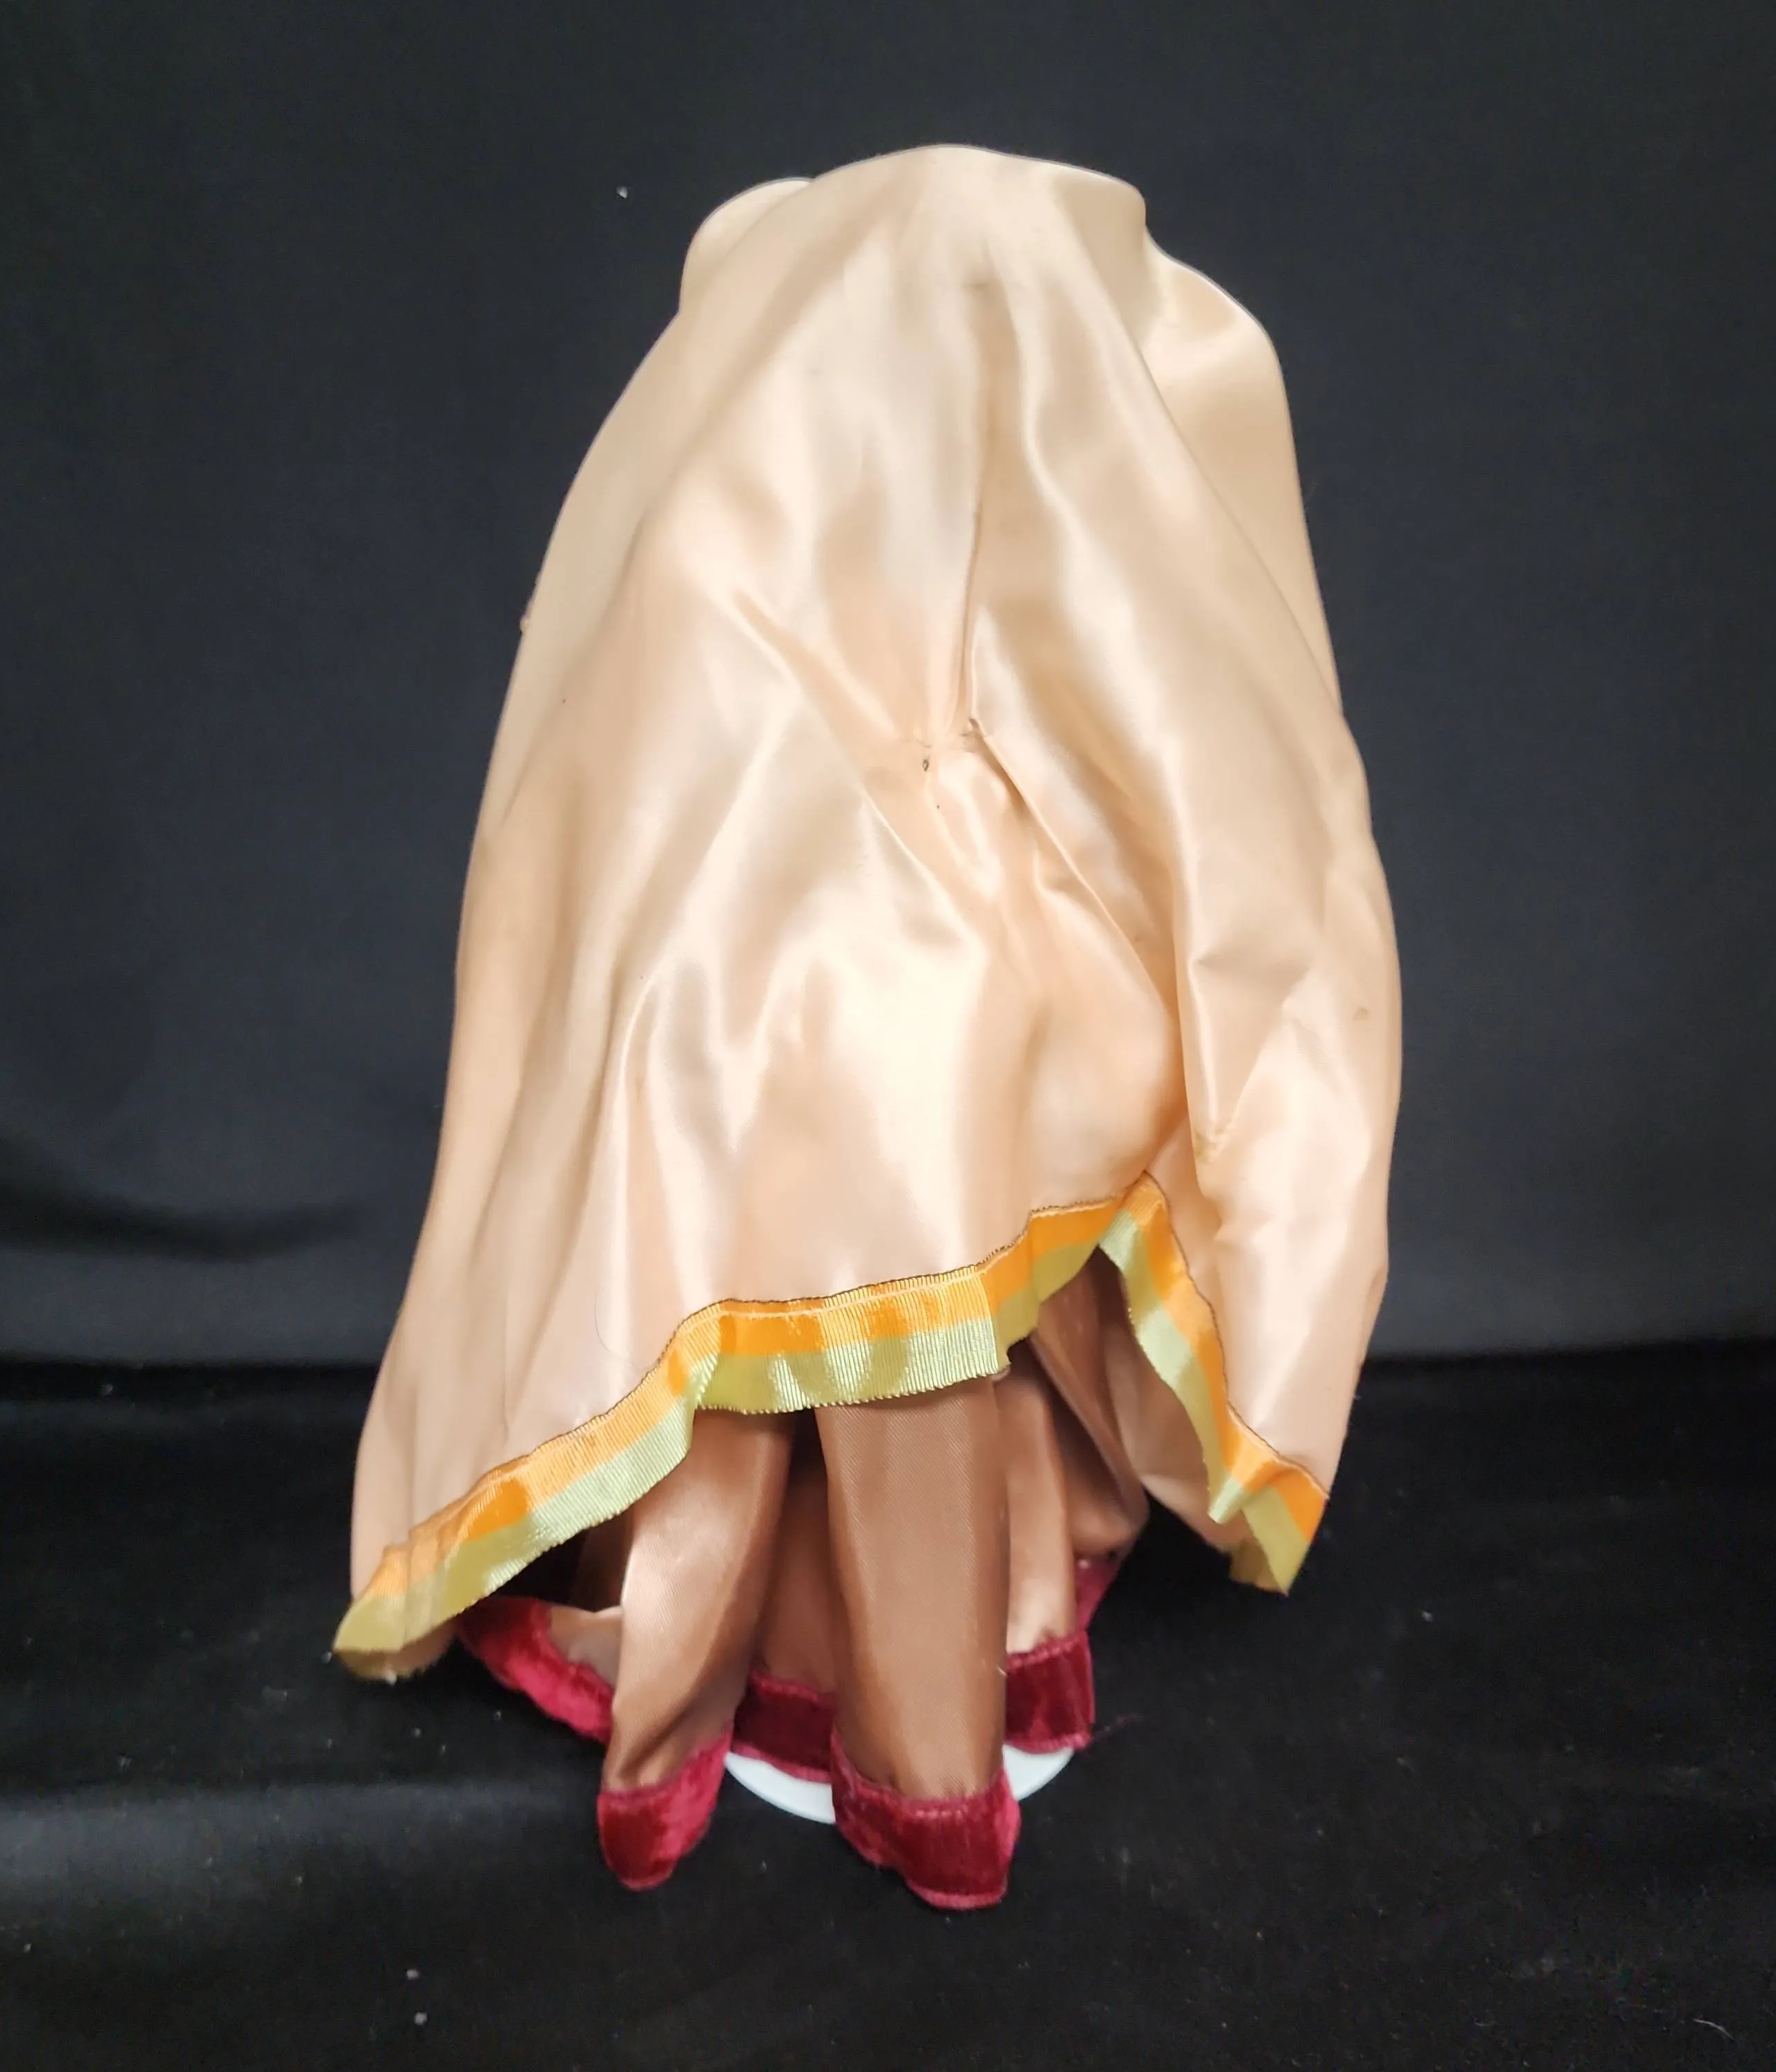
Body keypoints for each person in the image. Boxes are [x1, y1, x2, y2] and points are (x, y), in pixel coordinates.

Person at [335, 145, 1401, 1909]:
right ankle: (926, 1713)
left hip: (791, 1065)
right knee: (930, 1139)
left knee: (900, 1149)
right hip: (826, 1050)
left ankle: (841, 1683)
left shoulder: (742, 553)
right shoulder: (800, 588)